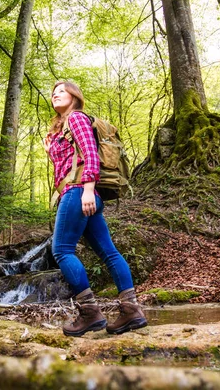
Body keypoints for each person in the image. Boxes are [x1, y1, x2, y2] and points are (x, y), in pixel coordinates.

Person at [42, 80, 147, 337]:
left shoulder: (76, 117)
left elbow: (90, 153)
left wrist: (88, 190)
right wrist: (51, 151)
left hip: (79, 192)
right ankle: (131, 310)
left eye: (61, 91)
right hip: (82, 192)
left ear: (74, 96)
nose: (55, 94)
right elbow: (68, 162)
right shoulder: (64, 126)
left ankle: (90, 313)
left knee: (62, 250)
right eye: (53, 93)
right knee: (108, 252)